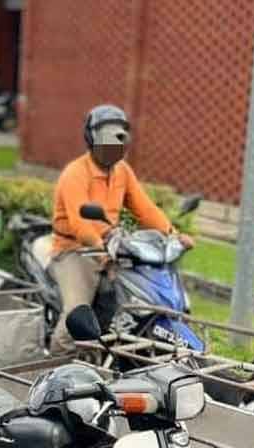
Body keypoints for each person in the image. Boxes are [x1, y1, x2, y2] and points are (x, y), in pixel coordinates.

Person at [47, 104, 195, 354]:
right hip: (76, 250)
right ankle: (55, 364)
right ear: (91, 137)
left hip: (113, 247)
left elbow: (145, 209)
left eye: (119, 135)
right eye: (106, 134)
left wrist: (172, 235)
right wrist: (98, 246)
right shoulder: (75, 173)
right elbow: (78, 221)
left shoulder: (122, 171)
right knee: (75, 314)